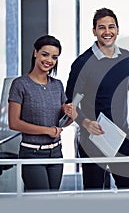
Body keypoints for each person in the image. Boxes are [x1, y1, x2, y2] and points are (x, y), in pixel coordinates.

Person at [65, 8, 129, 190]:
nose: (107, 32)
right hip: (93, 139)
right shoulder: (82, 63)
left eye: (111, 27)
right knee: (95, 195)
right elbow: (69, 103)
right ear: (94, 31)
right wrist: (85, 123)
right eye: (101, 28)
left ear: (118, 29)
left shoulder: (125, 56)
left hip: (122, 136)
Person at [8, 35, 76, 191]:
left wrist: (71, 115)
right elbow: (14, 122)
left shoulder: (57, 85)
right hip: (32, 153)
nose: (49, 60)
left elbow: (61, 123)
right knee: (41, 201)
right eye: (45, 54)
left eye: (54, 57)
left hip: (56, 153)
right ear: (35, 53)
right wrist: (47, 130)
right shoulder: (20, 84)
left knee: (52, 201)